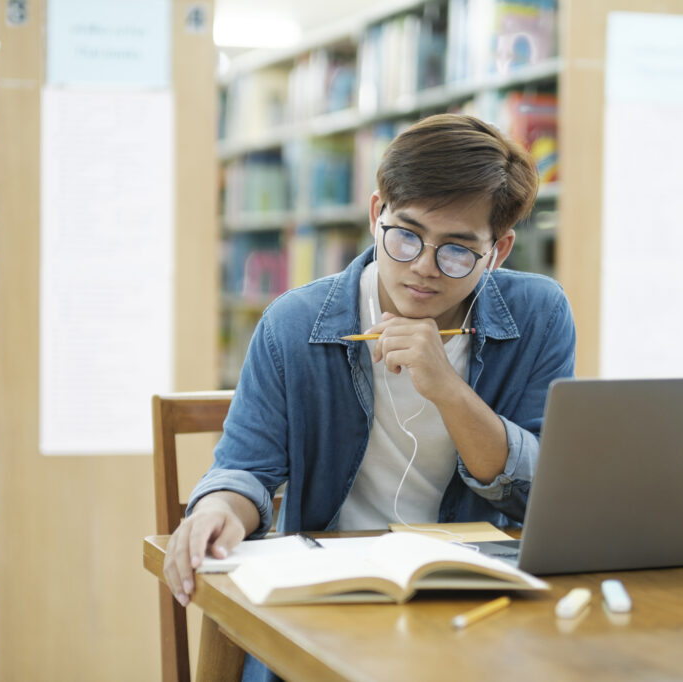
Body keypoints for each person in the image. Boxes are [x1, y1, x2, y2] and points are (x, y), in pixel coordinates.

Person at [164, 113, 575, 656]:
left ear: (497, 251)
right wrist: (216, 509)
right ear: (378, 212)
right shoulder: (294, 323)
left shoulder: (539, 315)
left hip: (473, 603)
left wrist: (448, 389)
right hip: (330, 597)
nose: (424, 267)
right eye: (406, 235)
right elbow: (245, 469)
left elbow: (544, 498)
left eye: (457, 250)